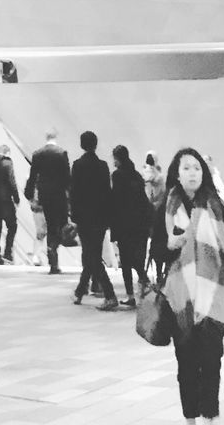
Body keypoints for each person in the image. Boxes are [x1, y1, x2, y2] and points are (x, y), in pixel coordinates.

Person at [153, 148, 224, 425]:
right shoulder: (166, 209)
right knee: (186, 365)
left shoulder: (216, 207)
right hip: (180, 297)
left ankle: (210, 418)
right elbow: (156, 251)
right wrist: (169, 246)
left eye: (196, 168)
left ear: (203, 173)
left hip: (214, 296)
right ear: (177, 174)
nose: (192, 173)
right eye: (186, 168)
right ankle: (190, 419)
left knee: (212, 362)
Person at [70, 130, 118, 311]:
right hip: (100, 218)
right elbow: (107, 193)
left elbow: (74, 193)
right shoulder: (103, 166)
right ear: (95, 145)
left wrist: (74, 217)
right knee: (93, 254)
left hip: (84, 218)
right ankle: (80, 291)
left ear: (82, 145)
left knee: (91, 256)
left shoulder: (77, 166)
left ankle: (110, 294)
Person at [109, 144, 151, 308]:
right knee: (138, 260)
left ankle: (130, 295)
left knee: (126, 261)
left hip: (124, 224)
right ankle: (146, 286)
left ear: (117, 158)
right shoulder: (137, 176)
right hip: (139, 224)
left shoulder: (118, 176)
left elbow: (116, 200)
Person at [24, 129, 71, 275]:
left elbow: (33, 176)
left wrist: (29, 192)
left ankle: (53, 260)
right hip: (59, 195)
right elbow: (67, 176)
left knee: (50, 224)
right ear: (56, 138)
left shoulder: (38, 154)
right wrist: (70, 195)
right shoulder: (62, 153)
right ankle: (54, 249)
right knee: (61, 224)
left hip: (45, 195)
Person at [0, 144, 19, 265]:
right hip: (5, 201)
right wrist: (16, 197)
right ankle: (8, 252)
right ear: (7, 153)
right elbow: (12, 180)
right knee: (12, 226)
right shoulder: (8, 163)